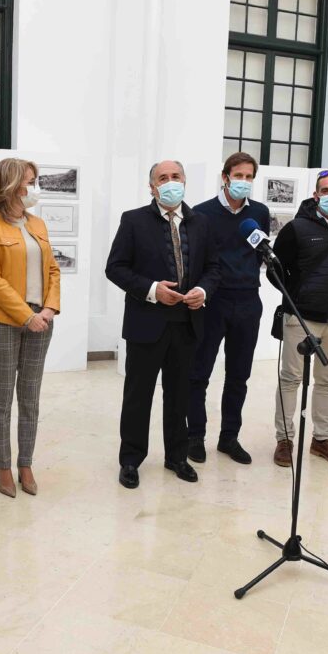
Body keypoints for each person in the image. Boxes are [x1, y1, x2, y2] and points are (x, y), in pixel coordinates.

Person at [105, 160, 221, 489]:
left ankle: (176, 456)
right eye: (162, 178)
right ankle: (130, 459)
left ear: (185, 181)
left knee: (180, 394)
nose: (170, 182)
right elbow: (115, 268)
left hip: (188, 323)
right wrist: (153, 290)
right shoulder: (134, 221)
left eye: (176, 177)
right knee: (138, 395)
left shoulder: (202, 223)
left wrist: (203, 291)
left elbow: (214, 267)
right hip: (147, 322)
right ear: (152, 186)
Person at [0, 158, 61, 497]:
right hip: (2, 323)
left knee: (30, 397)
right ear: (10, 185)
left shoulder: (37, 224)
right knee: (1, 399)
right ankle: (3, 467)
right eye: (28, 182)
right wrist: (26, 315)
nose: (33, 188)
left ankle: (26, 463)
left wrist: (50, 307)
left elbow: (53, 269)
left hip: (43, 319)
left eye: (34, 181)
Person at [270, 169, 328, 469]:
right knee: (291, 378)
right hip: (301, 317)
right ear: (316, 195)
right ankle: (285, 439)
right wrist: (297, 295)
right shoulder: (297, 228)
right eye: (326, 191)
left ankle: (321, 439)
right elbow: (276, 269)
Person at [187, 152, 270, 465]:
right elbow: (196, 260)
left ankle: (229, 437)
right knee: (199, 373)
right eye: (239, 176)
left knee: (239, 375)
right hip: (213, 302)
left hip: (248, 300)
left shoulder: (259, 212)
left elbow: (260, 251)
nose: (244, 182)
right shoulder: (202, 213)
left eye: (249, 177)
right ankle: (195, 436)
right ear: (225, 177)